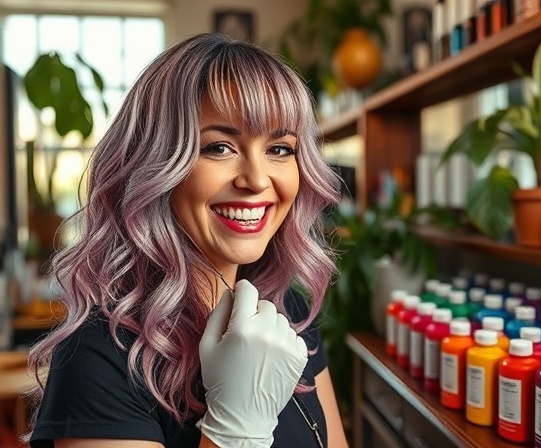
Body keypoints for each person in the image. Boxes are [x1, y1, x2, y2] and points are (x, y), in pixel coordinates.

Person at [26, 33, 349, 448]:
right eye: (219, 147)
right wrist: (236, 428)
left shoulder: (289, 310)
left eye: (280, 149)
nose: (256, 179)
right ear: (155, 166)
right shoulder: (97, 356)